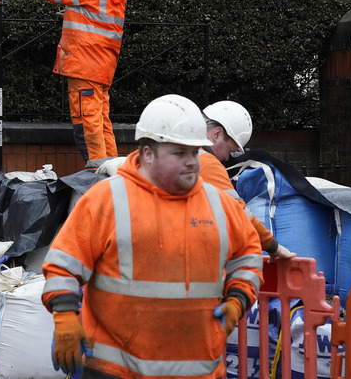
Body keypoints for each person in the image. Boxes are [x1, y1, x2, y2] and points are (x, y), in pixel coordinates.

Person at [41, 94, 263, 378]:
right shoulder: (106, 200)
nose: (191, 163)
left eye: (194, 153)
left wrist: (238, 298)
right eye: (179, 153)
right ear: (148, 153)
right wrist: (64, 317)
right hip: (115, 370)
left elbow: (248, 254)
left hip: (198, 370)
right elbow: (64, 264)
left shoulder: (219, 204)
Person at [41, 0, 128, 168]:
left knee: (87, 121)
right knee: (101, 121)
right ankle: (114, 174)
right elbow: (97, 13)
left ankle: (97, 178)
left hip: (84, 62)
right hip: (103, 64)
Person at [201, 100, 296, 261]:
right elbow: (237, 213)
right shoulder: (207, 164)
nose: (226, 158)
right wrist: (274, 247)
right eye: (230, 150)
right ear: (217, 134)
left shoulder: (160, 149)